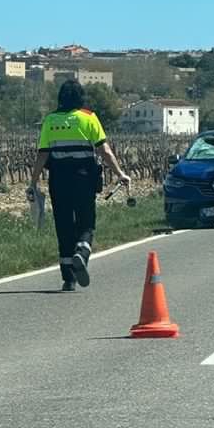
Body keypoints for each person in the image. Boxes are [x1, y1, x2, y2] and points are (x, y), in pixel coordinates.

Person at [28, 81, 130, 291]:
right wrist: (120, 174)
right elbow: (105, 151)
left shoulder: (50, 120)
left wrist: (33, 182)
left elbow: (42, 154)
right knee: (86, 223)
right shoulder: (88, 117)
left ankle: (68, 279)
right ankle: (81, 253)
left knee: (63, 226)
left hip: (58, 181)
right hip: (84, 179)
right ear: (80, 97)